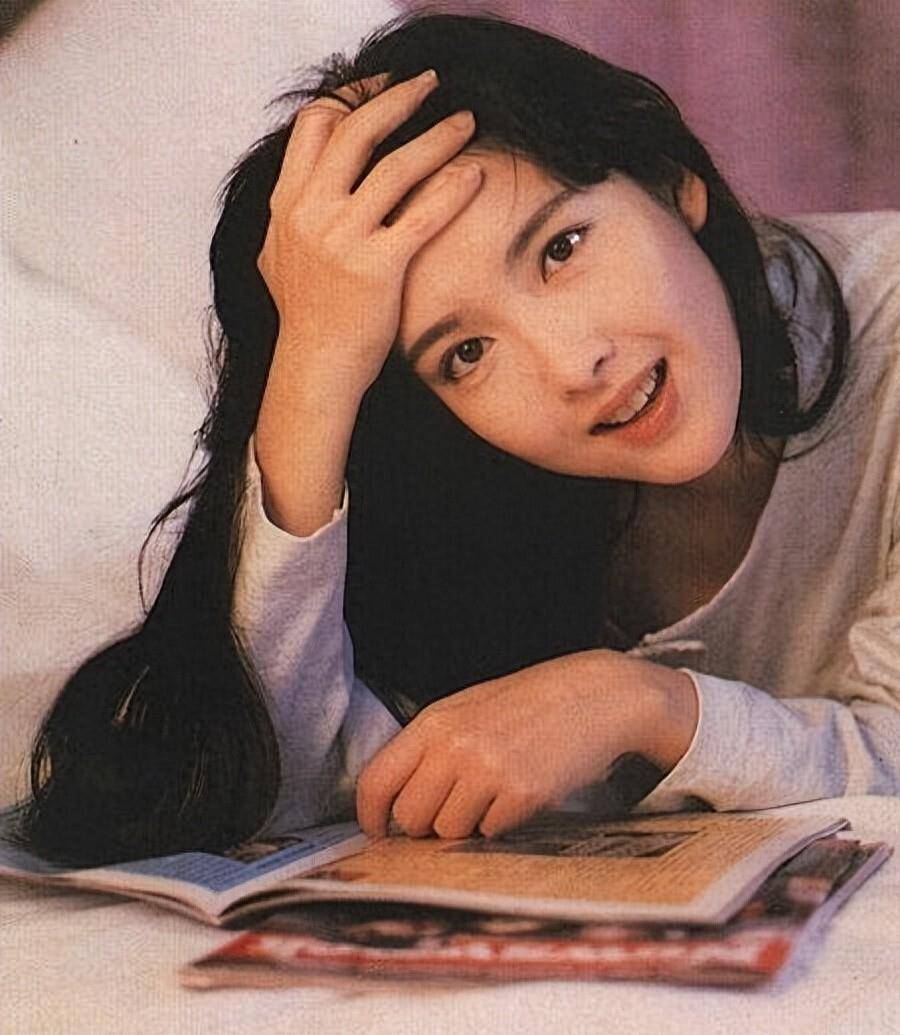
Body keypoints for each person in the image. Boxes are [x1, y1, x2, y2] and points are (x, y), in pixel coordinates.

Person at [20, 11, 900, 865]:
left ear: (671, 181)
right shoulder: (471, 488)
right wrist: (315, 365)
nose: (573, 365)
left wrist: (644, 704)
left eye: (561, 247)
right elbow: (265, 783)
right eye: (466, 353)